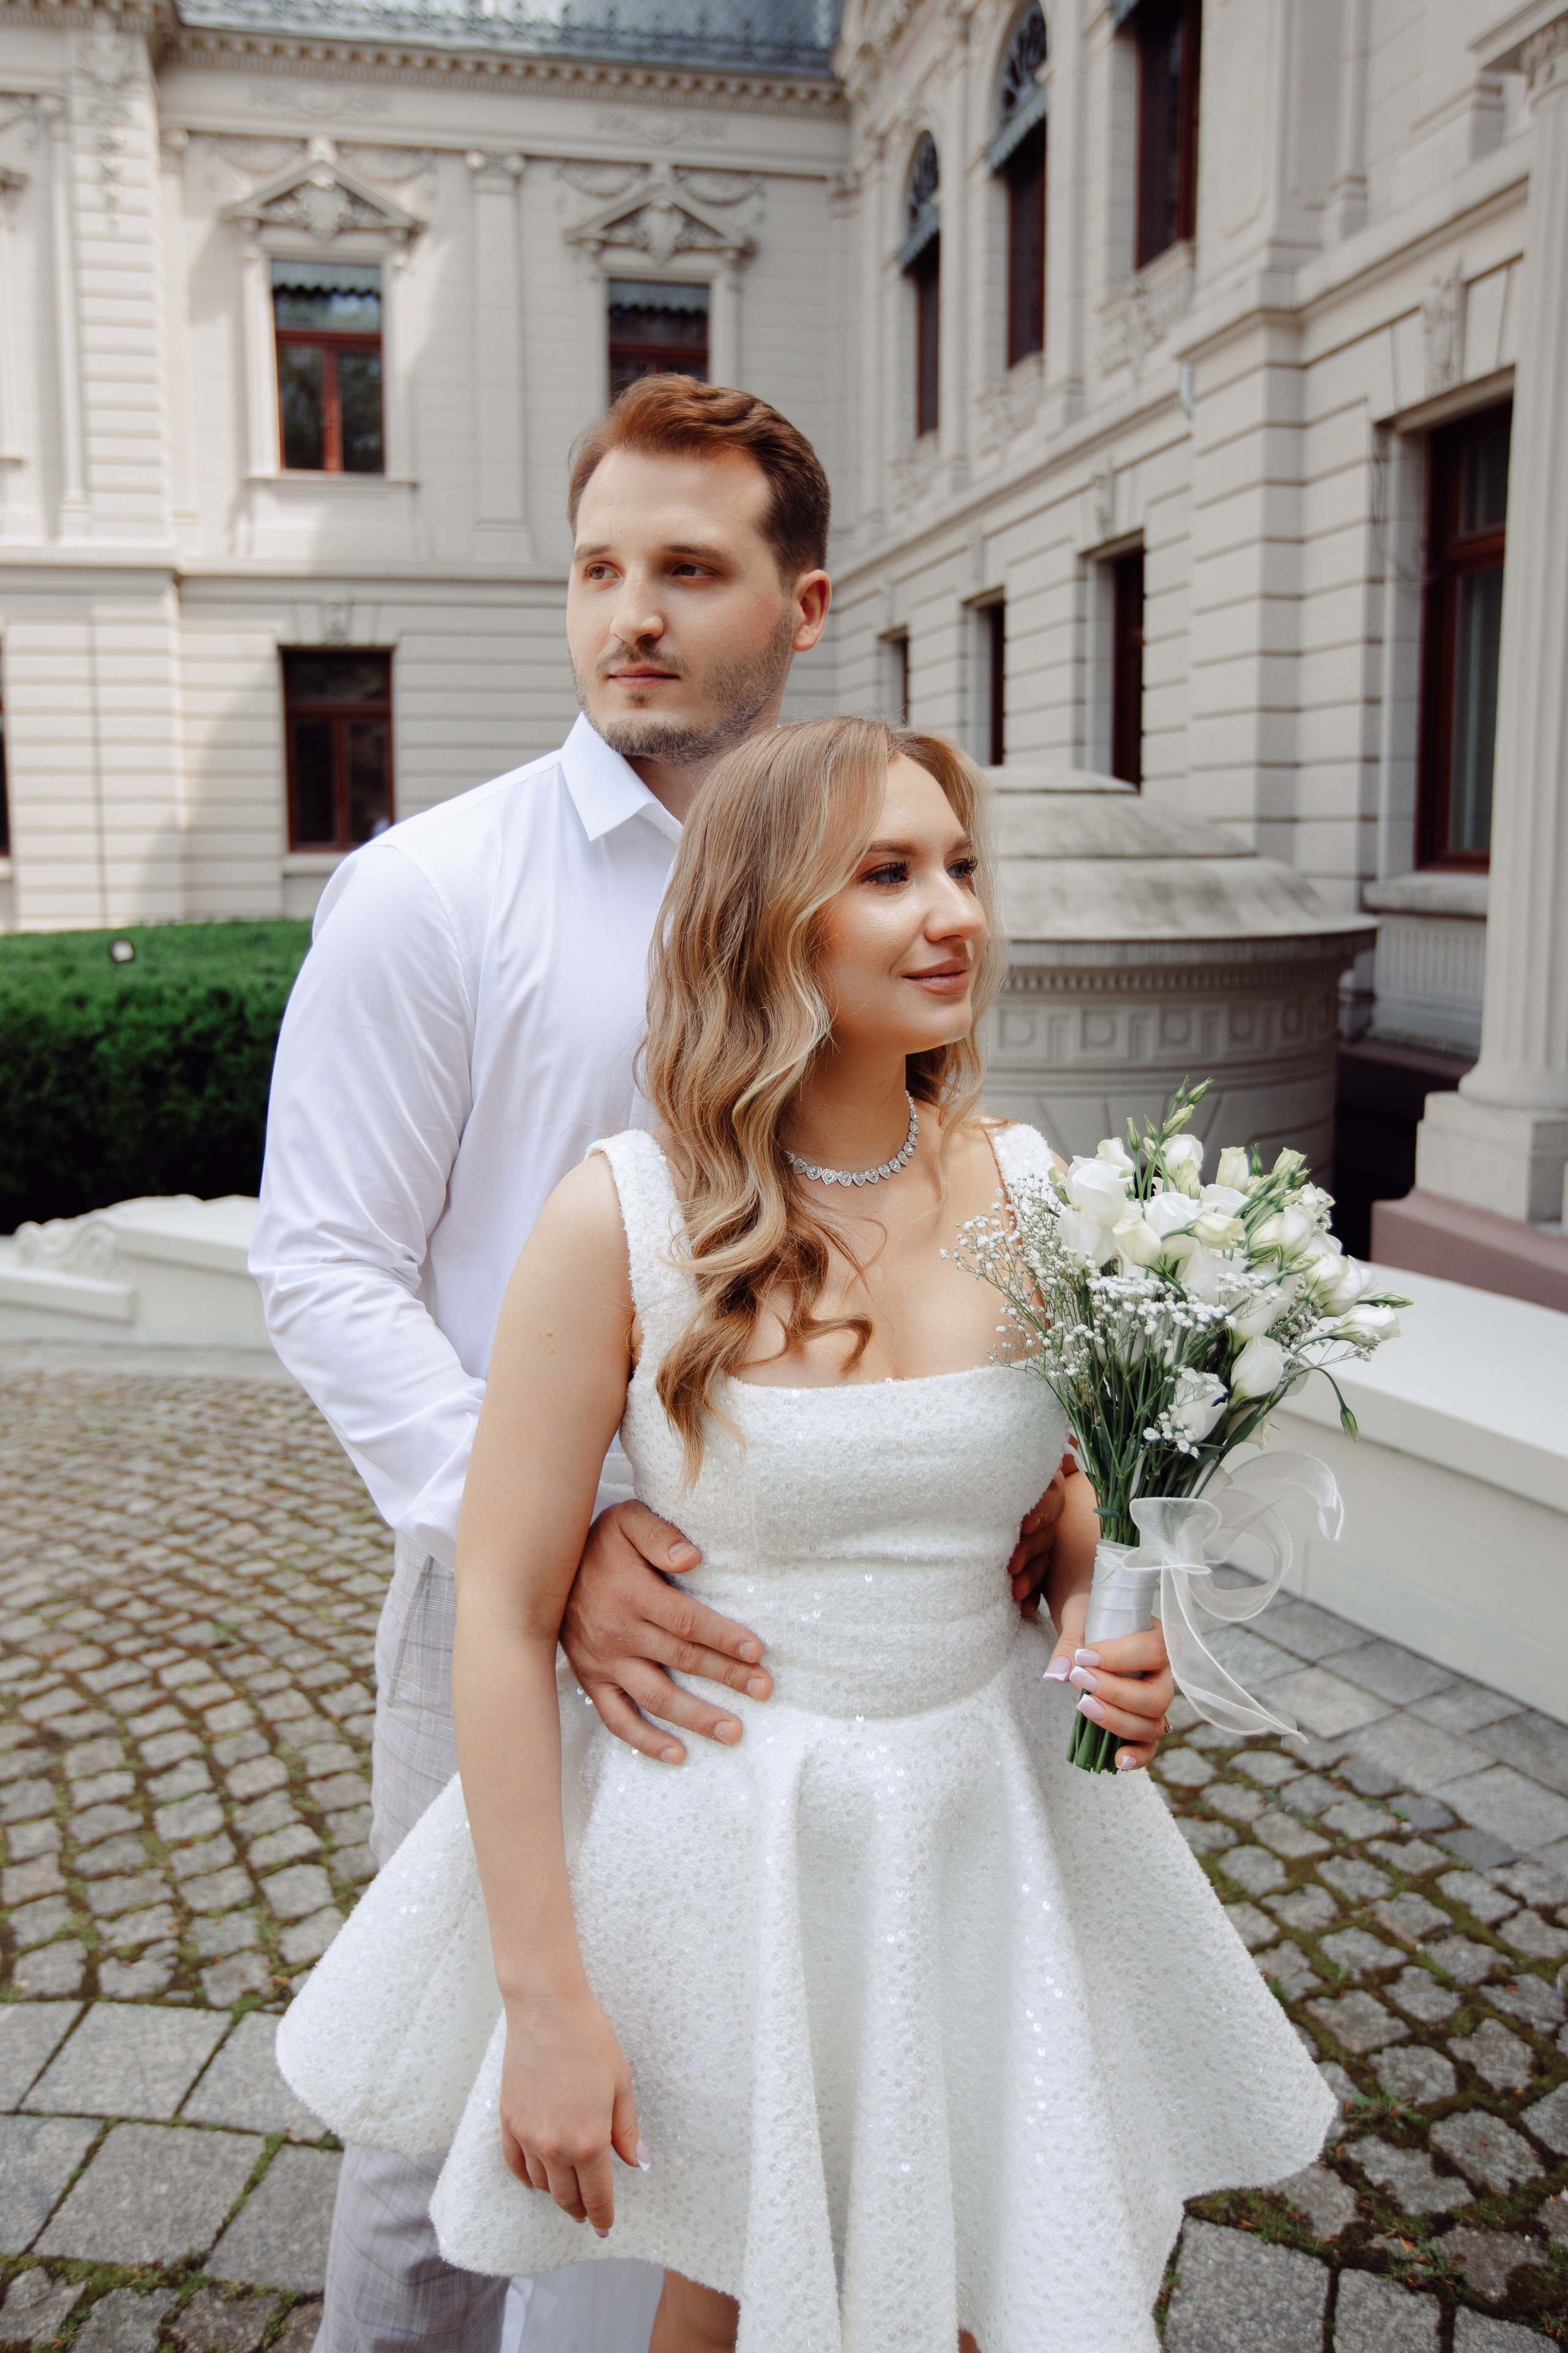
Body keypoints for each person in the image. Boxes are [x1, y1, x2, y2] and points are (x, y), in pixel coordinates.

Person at [278, 719, 1333, 2353]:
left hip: (987, 1824)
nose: (954, 912)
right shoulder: (619, 1219)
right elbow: (497, 1615)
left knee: (993, 2280)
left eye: (964, 868)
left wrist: (1104, 1618)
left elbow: (1056, 1500)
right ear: (770, 918)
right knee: (742, 2292)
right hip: (736, 1846)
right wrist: (549, 2004)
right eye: (891, 873)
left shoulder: (1039, 1188)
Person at [252, 381, 1124, 2353]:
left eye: (689, 570)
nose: (629, 613)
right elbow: (320, 1260)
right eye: (597, 569)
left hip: (824, 1641)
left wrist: (1017, 1512)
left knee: (782, 2106)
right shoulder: (431, 891)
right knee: (454, 2116)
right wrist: (547, 1531)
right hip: (509, 1569)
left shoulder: (872, 878)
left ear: (802, 602)